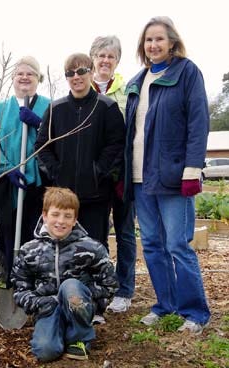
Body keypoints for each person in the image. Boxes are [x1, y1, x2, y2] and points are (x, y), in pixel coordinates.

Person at [124, 16, 211, 333]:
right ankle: (165, 305)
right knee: (151, 244)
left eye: (159, 39)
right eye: (148, 40)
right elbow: (131, 132)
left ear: (172, 41)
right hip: (140, 177)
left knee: (177, 244)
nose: (153, 45)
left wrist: (193, 168)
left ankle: (195, 312)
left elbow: (199, 122)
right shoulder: (137, 80)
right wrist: (125, 171)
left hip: (174, 176)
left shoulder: (186, 72)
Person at [11, 187, 118, 362]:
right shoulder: (29, 250)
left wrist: (90, 303)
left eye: (68, 216)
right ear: (45, 215)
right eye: (55, 214)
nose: (61, 221)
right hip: (47, 309)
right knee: (45, 352)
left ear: (75, 219)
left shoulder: (92, 248)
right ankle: (59, 332)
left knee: (70, 286)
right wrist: (42, 303)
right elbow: (20, 289)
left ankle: (80, 338)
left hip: (78, 304)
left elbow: (109, 284)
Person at [36, 53, 125, 250]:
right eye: (70, 73)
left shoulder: (106, 107)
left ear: (92, 72)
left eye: (82, 71)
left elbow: (117, 145)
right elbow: (42, 147)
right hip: (63, 199)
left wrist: (98, 172)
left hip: (96, 196)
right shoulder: (55, 109)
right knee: (62, 248)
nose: (76, 76)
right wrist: (56, 173)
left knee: (95, 248)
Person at [0, 56, 50, 288]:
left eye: (30, 73)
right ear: (12, 78)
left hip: (39, 184)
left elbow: (60, 138)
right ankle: (13, 280)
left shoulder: (50, 107)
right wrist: (7, 169)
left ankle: (37, 281)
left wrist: (40, 124)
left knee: (37, 233)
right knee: (8, 234)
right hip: (8, 184)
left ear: (37, 78)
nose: (24, 77)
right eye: (19, 73)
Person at [89, 36, 137, 313]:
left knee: (125, 232)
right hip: (94, 177)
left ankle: (125, 288)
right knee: (97, 234)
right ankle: (100, 286)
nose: (105, 61)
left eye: (111, 56)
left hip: (122, 175)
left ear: (117, 61)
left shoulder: (128, 90)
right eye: (100, 55)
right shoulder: (84, 88)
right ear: (92, 58)